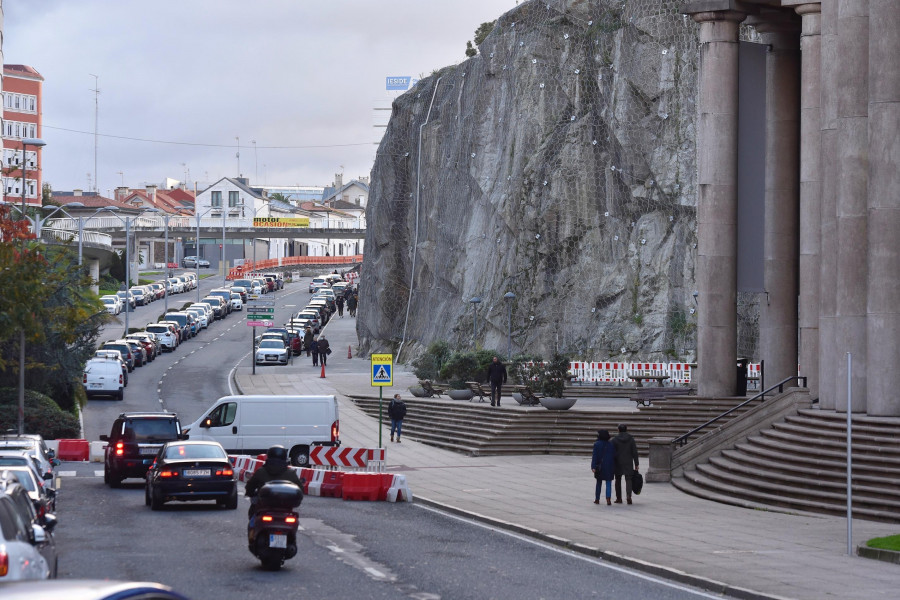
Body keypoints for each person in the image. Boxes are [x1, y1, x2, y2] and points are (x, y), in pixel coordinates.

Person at [244, 445, 303, 518]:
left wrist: (250, 493)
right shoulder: (291, 473)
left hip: (264, 508)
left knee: (253, 513)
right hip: (285, 509)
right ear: (285, 457)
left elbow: (250, 486)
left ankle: (252, 528)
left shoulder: (261, 471)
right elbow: (300, 490)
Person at [612, 423, 640, 505]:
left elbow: (612, 452)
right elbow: (634, 452)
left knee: (618, 479)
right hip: (628, 462)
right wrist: (636, 463)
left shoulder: (615, 440)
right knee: (628, 479)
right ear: (626, 429)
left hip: (618, 462)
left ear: (618, 430)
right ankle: (628, 496)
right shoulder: (631, 439)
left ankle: (619, 498)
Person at [591, 430, 616, 505]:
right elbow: (614, 455)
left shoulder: (596, 444)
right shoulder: (611, 444)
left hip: (600, 466)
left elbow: (594, 456)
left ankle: (597, 499)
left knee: (599, 482)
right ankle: (608, 499)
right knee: (608, 483)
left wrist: (593, 466)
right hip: (609, 466)